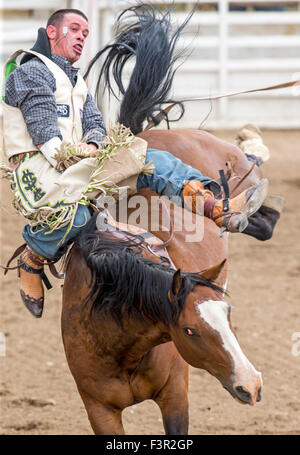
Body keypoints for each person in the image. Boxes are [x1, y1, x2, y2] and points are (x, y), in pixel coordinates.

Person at [2, 9, 268, 318]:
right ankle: (32, 257)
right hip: (38, 169)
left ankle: (217, 208)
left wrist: (92, 144)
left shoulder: (77, 81)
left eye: (85, 34)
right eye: (74, 29)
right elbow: (43, 132)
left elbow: (94, 124)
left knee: (148, 158)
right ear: (51, 32)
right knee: (75, 216)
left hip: (76, 163)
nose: (81, 38)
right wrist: (77, 153)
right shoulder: (31, 72)